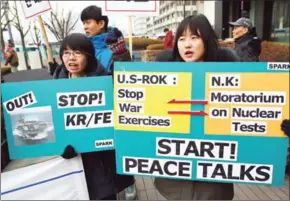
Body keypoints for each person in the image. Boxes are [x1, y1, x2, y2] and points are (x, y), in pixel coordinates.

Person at [154, 14, 290, 200]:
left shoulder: (231, 72)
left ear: (207, 40)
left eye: (194, 38)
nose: (187, 44)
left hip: (214, 184)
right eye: (182, 39)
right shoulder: (162, 73)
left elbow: (256, 111)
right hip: (174, 182)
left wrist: (278, 126)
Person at [53, 33, 134, 200]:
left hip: (103, 161)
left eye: (78, 52)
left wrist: (122, 57)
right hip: (75, 164)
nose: (72, 58)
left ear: (89, 56)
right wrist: (60, 147)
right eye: (66, 53)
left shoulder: (104, 80)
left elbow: (127, 90)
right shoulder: (53, 86)